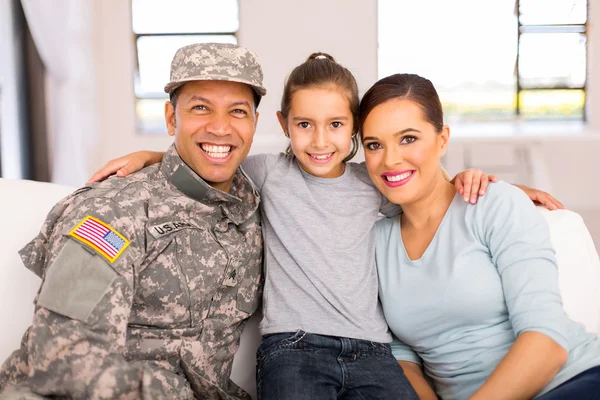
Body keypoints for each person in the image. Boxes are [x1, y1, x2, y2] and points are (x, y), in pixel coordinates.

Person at [87, 53, 563, 400]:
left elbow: (426, 189)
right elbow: (209, 159)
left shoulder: (374, 182)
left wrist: (491, 185)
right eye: (304, 125)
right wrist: (151, 156)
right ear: (283, 123)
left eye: (336, 125)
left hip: (374, 350)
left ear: (354, 129)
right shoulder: (268, 172)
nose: (320, 141)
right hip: (292, 347)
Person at [0, 43, 266, 399]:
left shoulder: (252, 206)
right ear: (172, 119)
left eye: (237, 111)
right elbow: (61, 357)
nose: (220, 127)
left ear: (254, 123)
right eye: (201, 108)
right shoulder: (112, 211)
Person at [361, 73, 600, 400]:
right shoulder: (375, 242)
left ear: (442, 140)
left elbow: (547, 340)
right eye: (374, 145)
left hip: (571, 380)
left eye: (408, 138)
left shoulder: (494, 204)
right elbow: (403, 354)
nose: (390, 160)